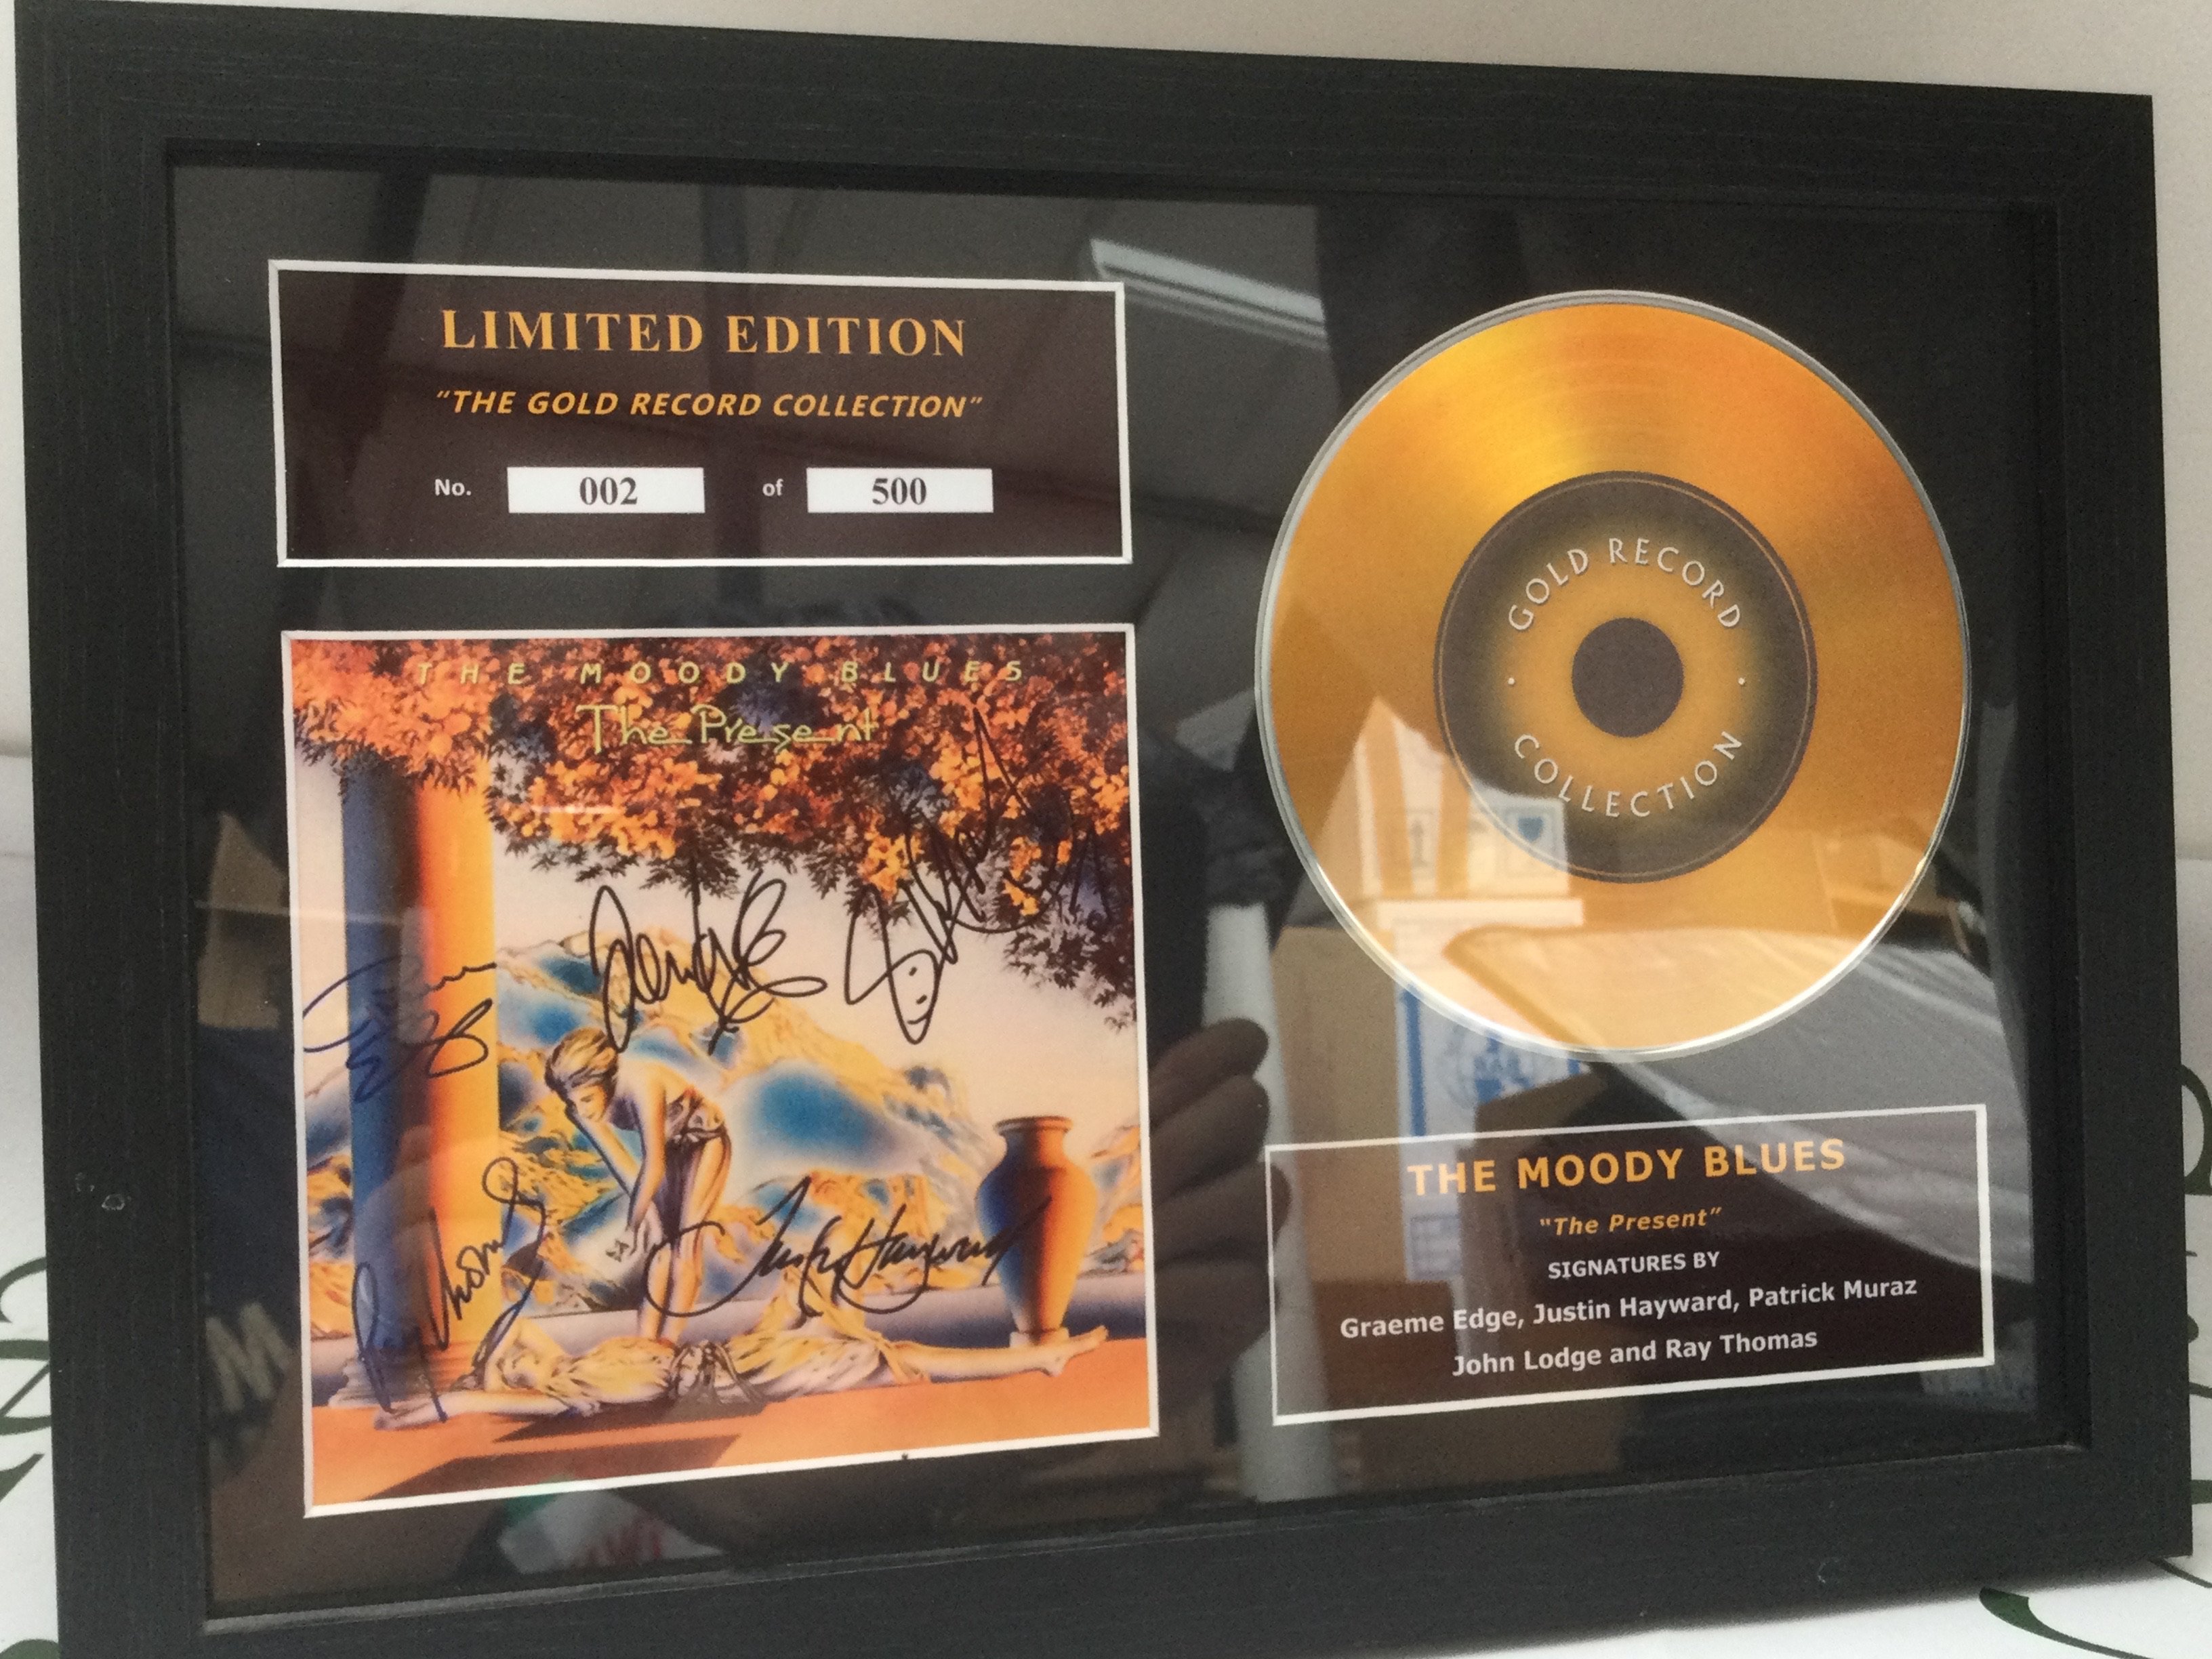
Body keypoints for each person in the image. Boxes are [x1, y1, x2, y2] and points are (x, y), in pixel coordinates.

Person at [541, 1026, 731, 1343]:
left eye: (587, 1099)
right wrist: (644, 1220)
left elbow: (654, 1163)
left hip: (705, 1142)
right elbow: (623, 1166)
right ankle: (646, 1345)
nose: (583, 1110)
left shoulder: (643, 1084)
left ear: (606, 1082)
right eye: (574, 1103)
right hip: (668, 1154)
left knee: (686, 1246)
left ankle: (667, 1345)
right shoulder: (579, 1109)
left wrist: (631, 1227)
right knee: (657, 1244)